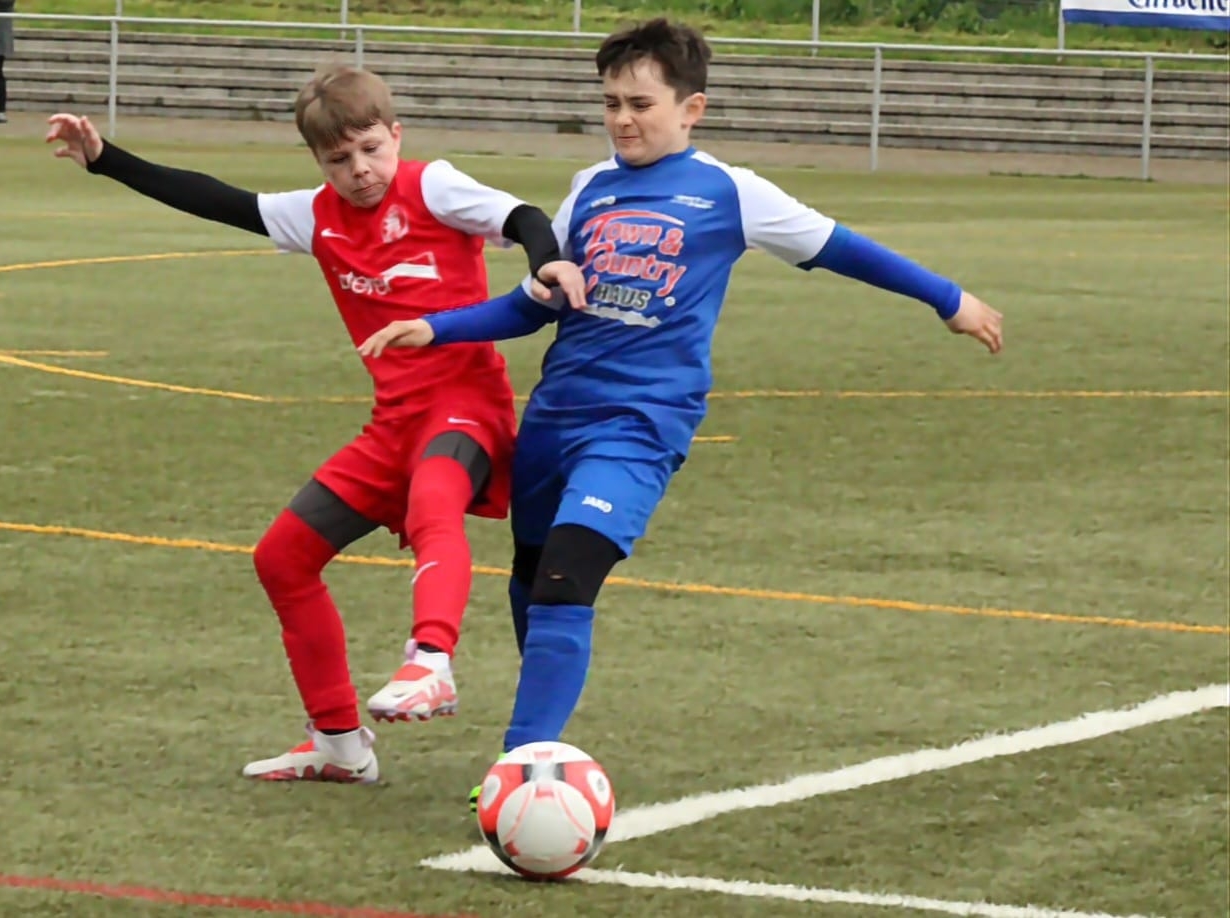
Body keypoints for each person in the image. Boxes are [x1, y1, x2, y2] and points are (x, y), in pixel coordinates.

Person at [356, 18, 1005, 807]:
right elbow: (538, 302)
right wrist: (438, 327)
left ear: (692, 108)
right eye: (611, 104)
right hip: (554, 420)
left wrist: (948, 299)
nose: (623, 120)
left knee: (566, 576)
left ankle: (523, 768)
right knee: (531, 580)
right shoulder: (590, 188)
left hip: (639, 425)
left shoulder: (731, 192)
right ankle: (532, 748)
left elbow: (841, 247)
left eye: (641, 104)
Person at [44, 65, 584, 785]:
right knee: (282, 558)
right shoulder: (316, 216)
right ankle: (338, 744)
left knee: (433, 501)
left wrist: (546, 265)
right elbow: (215, 198)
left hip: (466, 411)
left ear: (396, 136)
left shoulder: (434, 187)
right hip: (393, 427)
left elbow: (523, 218)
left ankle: (431, 662)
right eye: (338, 159)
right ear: (318, 162)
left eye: (371, 149)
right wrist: (106, 159)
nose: (359, 170)